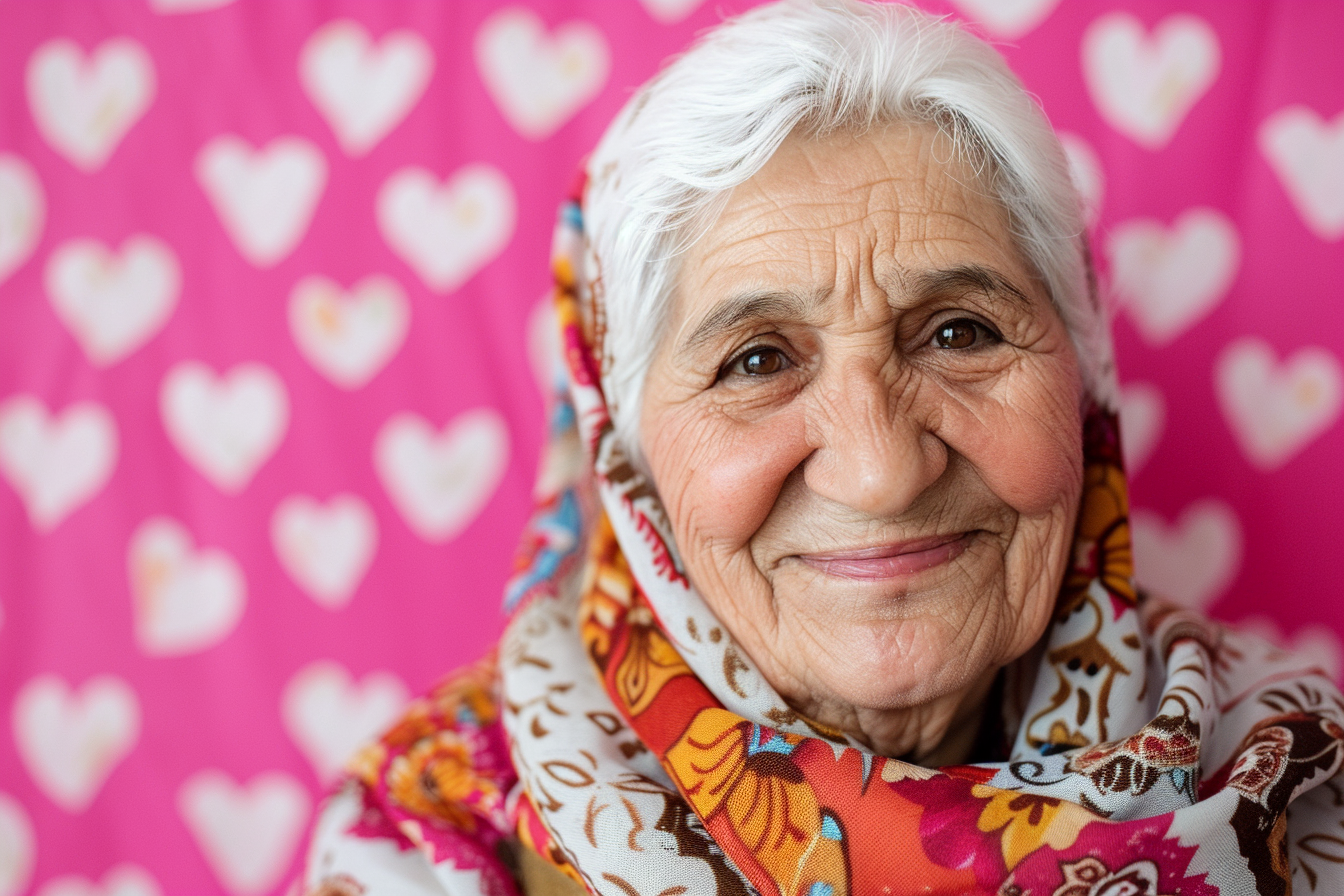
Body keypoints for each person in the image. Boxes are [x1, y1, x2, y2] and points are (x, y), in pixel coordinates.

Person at [302, 2, 1344, 894]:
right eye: (756, 361)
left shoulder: (1292, 773)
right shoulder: (432, 833)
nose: (881, 470)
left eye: (958, 332)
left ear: (1084, 384)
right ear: (624, 452)